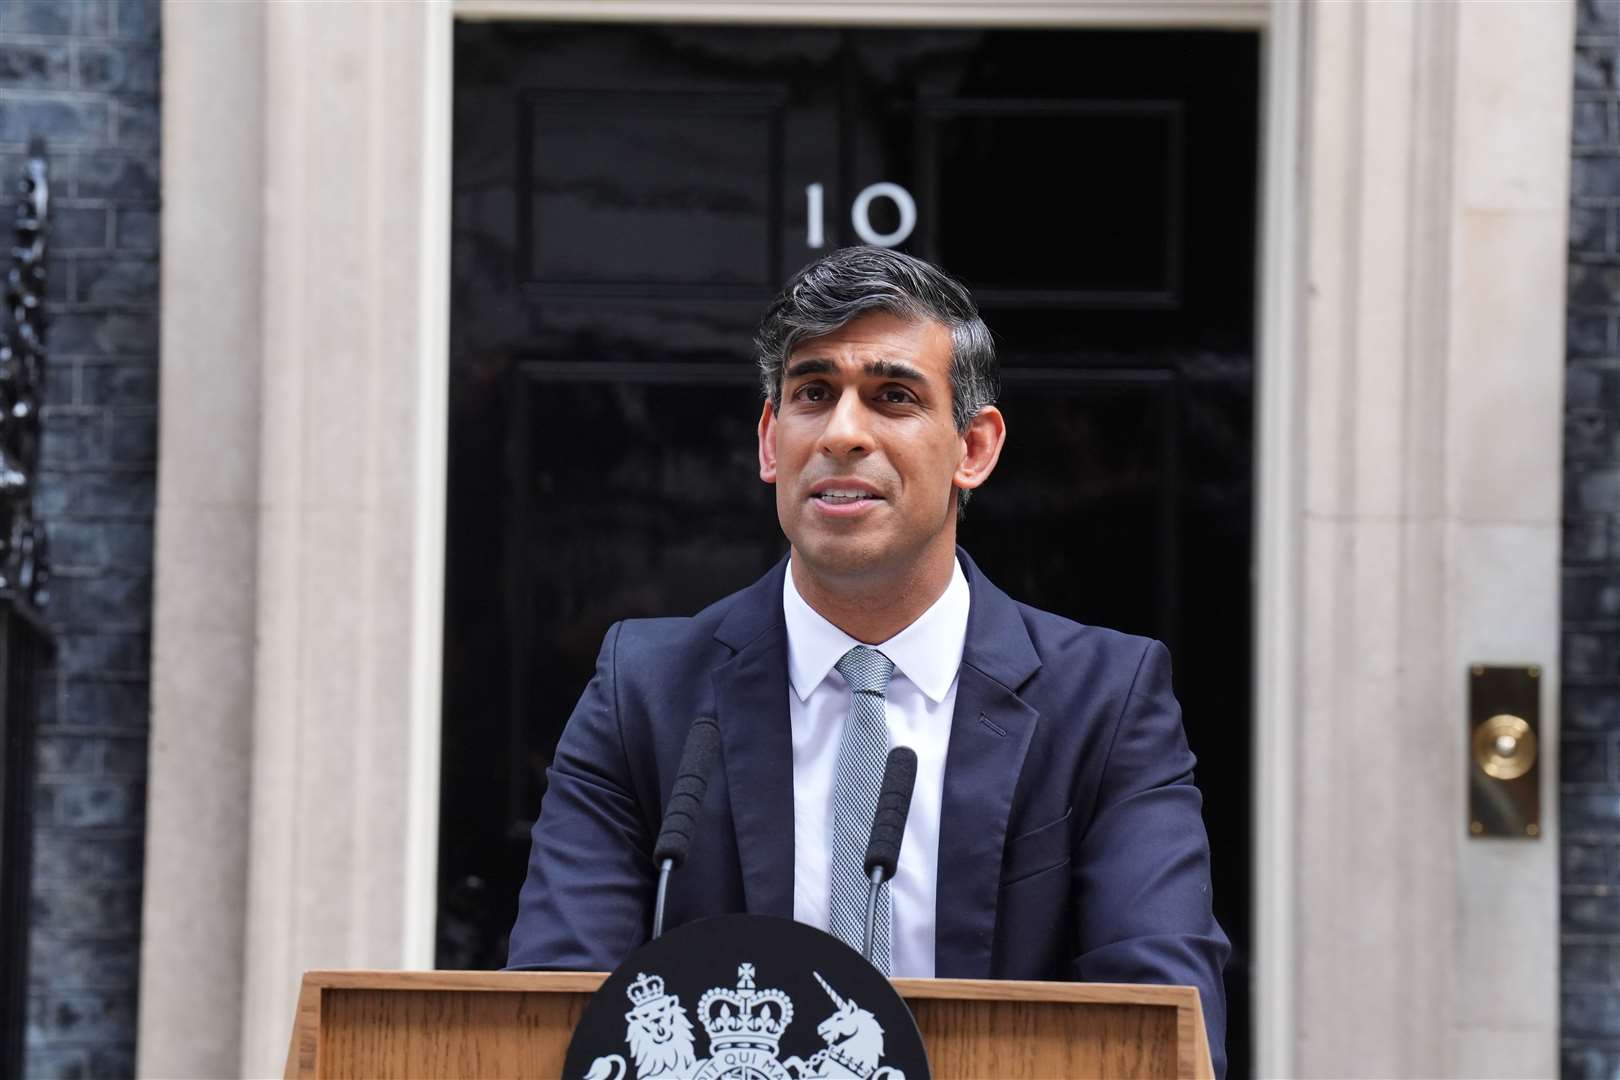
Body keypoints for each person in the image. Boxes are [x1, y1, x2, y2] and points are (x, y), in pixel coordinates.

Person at [507, 246, 1230, 1074]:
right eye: (814, 394)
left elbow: (1162, 1034)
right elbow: (555, 1009)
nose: (844, 433)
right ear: (773, 441)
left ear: (975, 449)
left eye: (892, 397)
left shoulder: (1105, 702)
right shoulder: (646, 691)